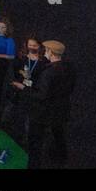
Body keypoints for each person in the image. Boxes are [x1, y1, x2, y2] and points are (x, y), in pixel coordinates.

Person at [26, 40, 75, 169]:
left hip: (43, 112)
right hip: (61, 109)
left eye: (46, 50)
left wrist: (26, 89)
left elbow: (41, 95)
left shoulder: (49, 72)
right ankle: (61, 155)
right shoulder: (69, 68)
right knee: (58, 133)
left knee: (35, 141)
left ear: (50, 53)